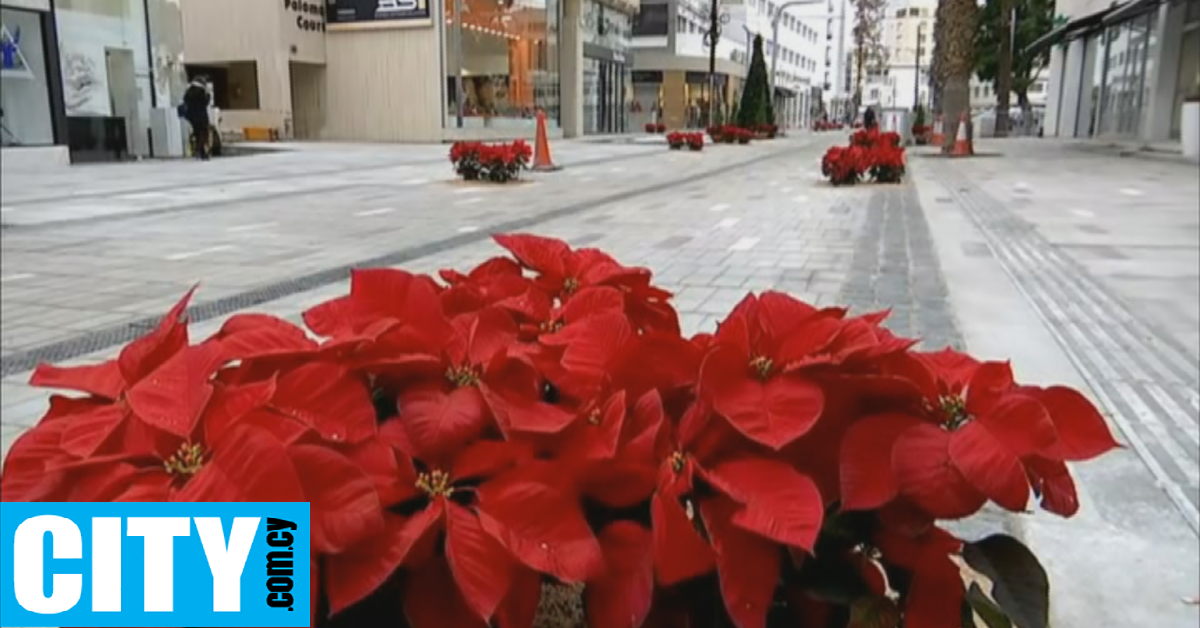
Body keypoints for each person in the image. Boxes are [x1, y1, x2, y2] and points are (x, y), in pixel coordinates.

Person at [182, 76, 212, 160]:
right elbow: (205, 102)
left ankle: (201, 152)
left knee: (197, 134)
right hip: (201, 116)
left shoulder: (188, 92)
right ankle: (199, 151)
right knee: (204, 134)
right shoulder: (202, 92)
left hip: (192, 116)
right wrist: (208, 94)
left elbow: (185, 101)